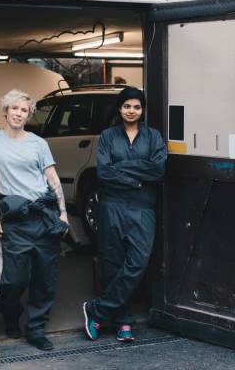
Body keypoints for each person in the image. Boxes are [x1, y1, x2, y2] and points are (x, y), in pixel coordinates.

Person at [0, 89, 69, 351]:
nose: (19, 113)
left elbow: (52, 179)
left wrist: (63, 212)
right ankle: (10, 315)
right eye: (15, 108)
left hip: (43, 216)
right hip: (15, 219)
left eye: (24, 110)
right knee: (13, 280)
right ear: (5, 111)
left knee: (45, 278)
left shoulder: (38, 143)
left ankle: (36, 328)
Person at [83, 86, 167, 342]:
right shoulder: (108, 136)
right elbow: (104, 173)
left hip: (142, 208)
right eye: (127, 106)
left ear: (142, 110)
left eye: (137, 107)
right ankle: (123, 321)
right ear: (119, 109)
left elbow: (157, 170)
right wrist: (135, 179)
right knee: (112, 264)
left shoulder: (153, 137)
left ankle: (97, 311)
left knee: (137, 263)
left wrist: (123, 168)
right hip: (112, 206)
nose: (132, 111)